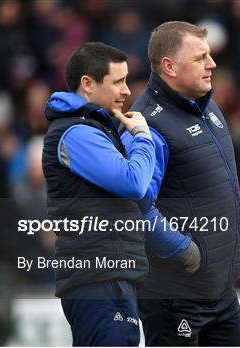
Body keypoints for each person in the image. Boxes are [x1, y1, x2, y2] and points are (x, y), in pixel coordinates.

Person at [123, 21, 240, 346]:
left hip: (219, 289)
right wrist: (185, 251)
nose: (212, 64)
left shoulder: (205, 104)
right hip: (176, 296)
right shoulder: (148, 127)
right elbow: (134, 207)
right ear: (169, 66)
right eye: (200, 57)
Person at [41, 42, 155, 346]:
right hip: (98, 278)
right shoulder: (77, 133)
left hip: (110, 275)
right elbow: (134, 182)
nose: (127, 91)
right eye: (118, 81)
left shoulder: (96, 129)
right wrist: (143, 137)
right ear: (88, 84)